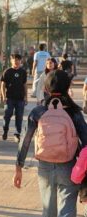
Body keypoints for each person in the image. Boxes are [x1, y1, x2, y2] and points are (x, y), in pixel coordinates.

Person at [14, 70, 87, 217]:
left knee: (48, 211)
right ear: (67, 88)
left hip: (45, 167)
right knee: (67, 211)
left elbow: (25, 139)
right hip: (68, 167)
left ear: (46, 89)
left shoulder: (38, 111)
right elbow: (86, 142)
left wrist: (18, 167)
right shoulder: (74, 112)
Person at [0, 54, 28, 142]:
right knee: (7, 114)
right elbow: (2, 85)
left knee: (19, 116)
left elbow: (25, 85)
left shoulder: (23, 72)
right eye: (14, 60)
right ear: (11, 61)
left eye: (18, 60)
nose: (16, 61)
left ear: (21, 61)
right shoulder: (7, 71)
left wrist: (26, 97)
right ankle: (5, 130)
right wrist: (4, 96)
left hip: (20, 98)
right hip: (10, 98)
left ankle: (17, 134)